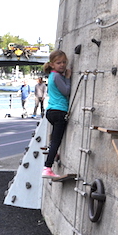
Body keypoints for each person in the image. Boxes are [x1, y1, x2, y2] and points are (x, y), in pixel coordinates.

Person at [41, 50, 71, 178]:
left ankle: (54, 153)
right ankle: (48, 167)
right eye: (59, 63)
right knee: (56, 141)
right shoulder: (57, 76)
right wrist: (68, 79)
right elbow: (66, 91)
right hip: (59, 111)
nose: (62, 65)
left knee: (54, 137)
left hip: (51, 111)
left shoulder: (52, 76)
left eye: (64, 62)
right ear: (52, 64)